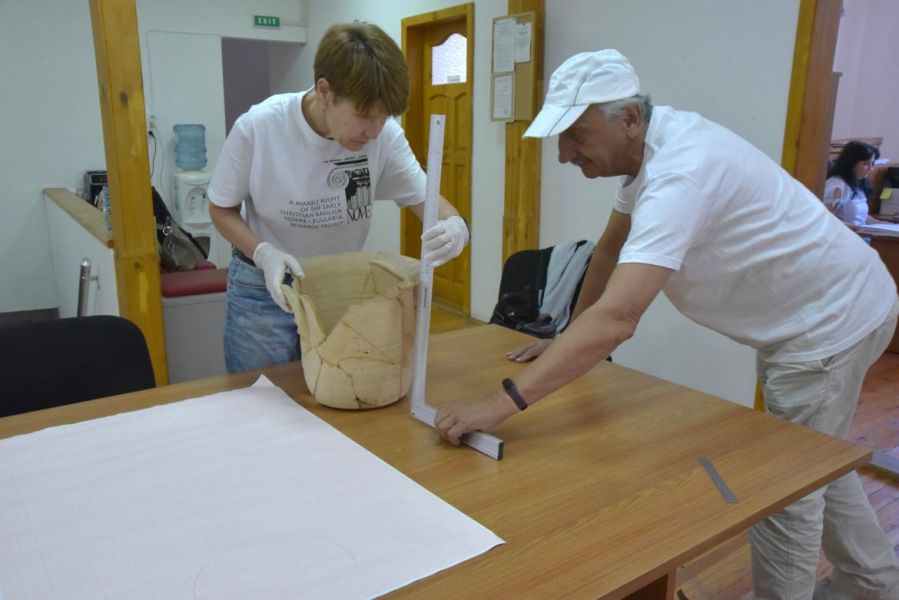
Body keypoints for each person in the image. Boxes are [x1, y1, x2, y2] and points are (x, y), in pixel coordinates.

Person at [435, 49, 899, 600]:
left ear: (629, 118)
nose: (563, 154)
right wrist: (566, 333)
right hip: (825, 308)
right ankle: (875, 584)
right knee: (819, 456)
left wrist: (497, 405)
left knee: (786, 486)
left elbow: (621, 317)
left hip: (827, 324)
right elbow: (608, 251)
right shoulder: (645, 155)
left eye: (576, 136)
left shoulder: (682, 171)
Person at [208, 22, 469, 373]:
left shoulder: (383, 136)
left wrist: (455, 225)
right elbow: (220, 207)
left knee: (333, 397)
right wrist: (263, 253)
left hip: (337, 284)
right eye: (364, 116)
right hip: (265, 289)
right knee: (260, 400)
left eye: (384, 117)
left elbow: (427, 199)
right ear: (325, 90)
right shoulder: (259, 128)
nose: (374, 131)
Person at [824, 140, 882, 230]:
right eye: (865, 164)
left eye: (872, 164)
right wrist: (859, 228)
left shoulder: (857, 184)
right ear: (851, 163)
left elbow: (861, 217)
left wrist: (884, 225)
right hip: (844, 238)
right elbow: (827, 219)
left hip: (861, 236)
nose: (871, 169)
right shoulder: (837, 185)